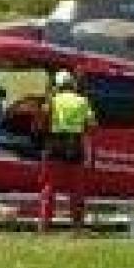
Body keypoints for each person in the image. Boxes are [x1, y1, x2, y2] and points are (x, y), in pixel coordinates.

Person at [40, 70, 95, 230]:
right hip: (75, 144)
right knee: (77, 188)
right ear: (72, 84)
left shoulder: (52, 100)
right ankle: (77, 225)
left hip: (55, 144)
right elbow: (91, 124)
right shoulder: (82, 101)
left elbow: (42, 119)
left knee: (49, 187)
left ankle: (45, 225)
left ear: (58, 85)